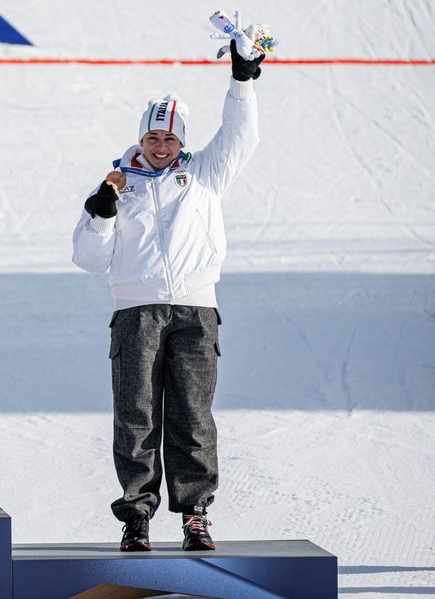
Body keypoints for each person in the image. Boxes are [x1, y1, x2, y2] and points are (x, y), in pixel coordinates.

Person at [71, 43, 265, 551]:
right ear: (140, 138)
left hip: (196, 311)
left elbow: (241, 135)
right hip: (135, 312)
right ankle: (136, 518)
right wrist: (101, 214)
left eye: (170, 138)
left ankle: (194, 515)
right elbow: (90, 259)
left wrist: (241, 80)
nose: (161, 146)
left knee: (192, 415)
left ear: (183, 141)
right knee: (136, 415)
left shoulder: (203, 173)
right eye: (153, 137)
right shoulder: (117, 184)